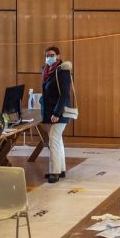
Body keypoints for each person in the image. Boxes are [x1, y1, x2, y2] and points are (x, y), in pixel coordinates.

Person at [40, 45, 73, 184]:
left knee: (53, 139)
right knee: (57, 140)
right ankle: (61, 169)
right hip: (50, 111)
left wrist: (56, 113)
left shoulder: (63, 71)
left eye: (52, 55)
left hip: (60, 112)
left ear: (58, 56)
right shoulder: (46, 70)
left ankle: (55, 172)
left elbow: (64, 95)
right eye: (47, 55)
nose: (49, 57)